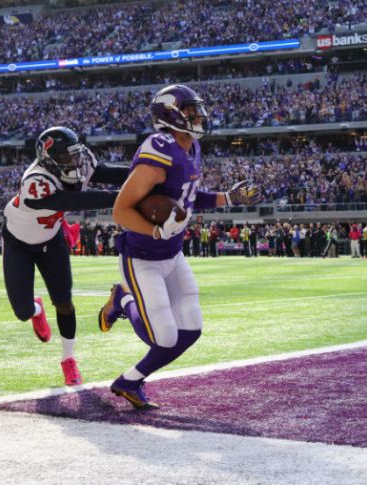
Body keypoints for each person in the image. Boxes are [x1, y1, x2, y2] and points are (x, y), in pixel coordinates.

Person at [97, 85, 263, 409]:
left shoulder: (192, 146)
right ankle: (122, 298)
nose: (198, 116)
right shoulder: (159, 150)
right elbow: (121, 210)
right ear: (171, 115)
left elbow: (186, 196)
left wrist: (229, 197)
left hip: (172, 254)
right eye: (190, 110)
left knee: (190, 329)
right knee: (163, 337)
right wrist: (156, 232)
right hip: (142, 256)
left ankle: (128, 381)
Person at [2, 126, 129, 386]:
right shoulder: (35, 181)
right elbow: (76, 201)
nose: (74, 162)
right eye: (66, 158)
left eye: (74, 155)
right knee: (23, 311)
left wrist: (146, 177)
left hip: (51, 239)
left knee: (64, 302)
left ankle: (68, 359)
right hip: (18, 243)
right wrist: (129, 196)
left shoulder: (79, 161)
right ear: (49, 159)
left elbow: (108, 173)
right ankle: (36, 309)